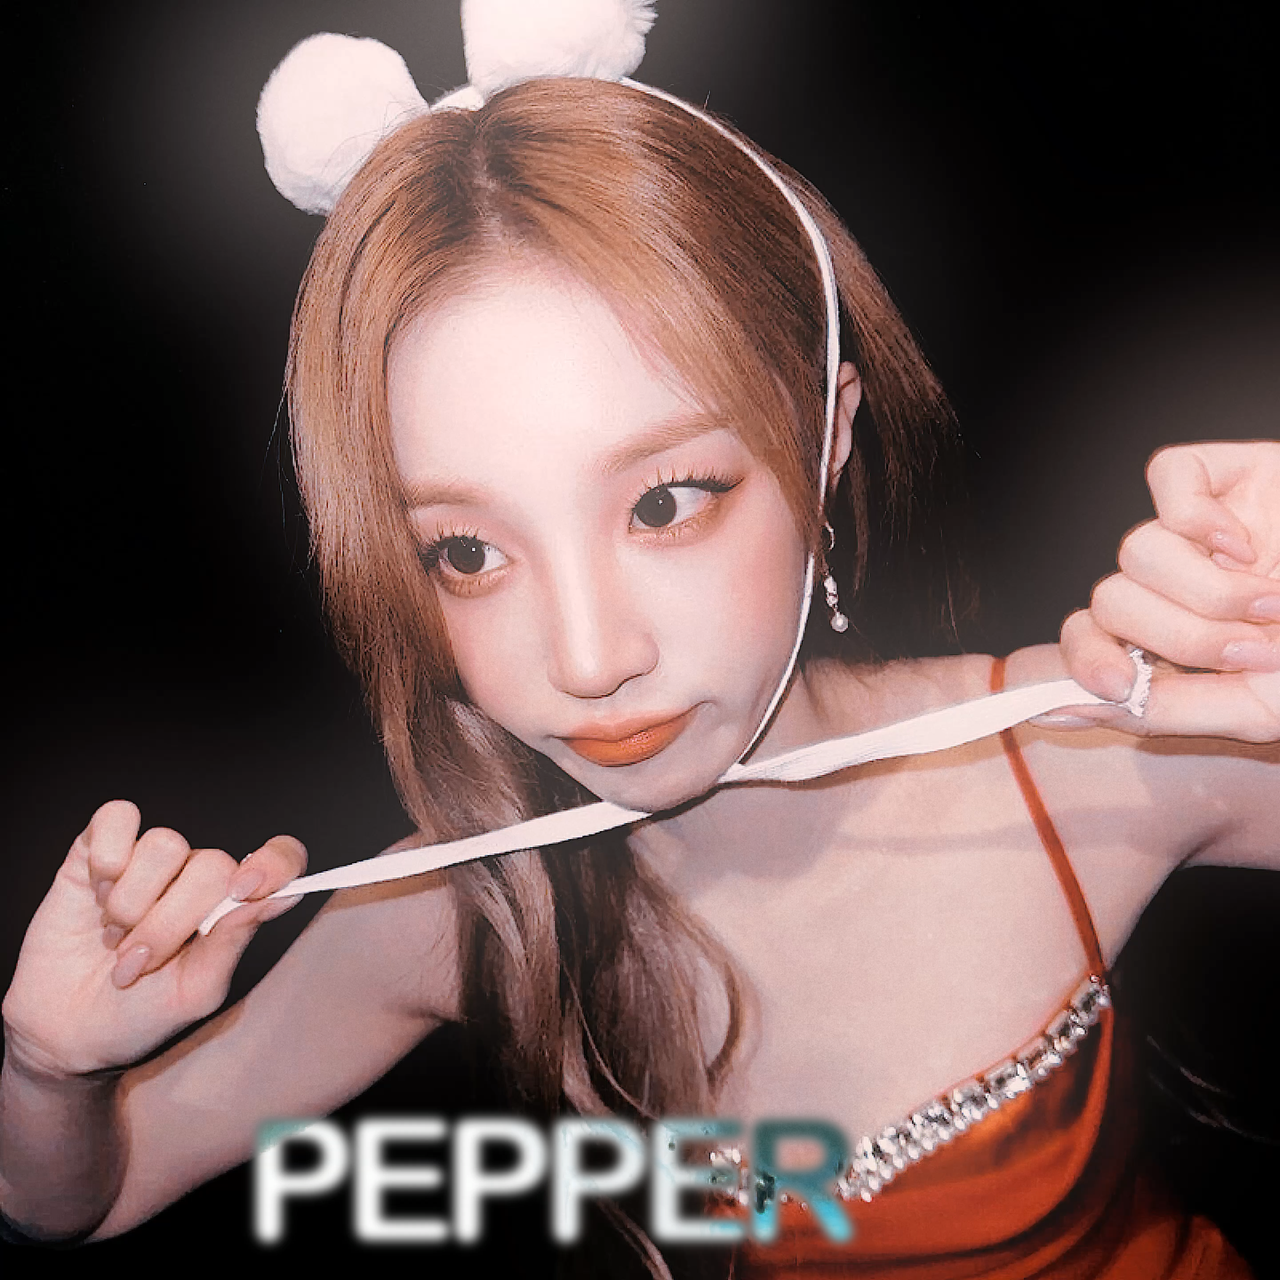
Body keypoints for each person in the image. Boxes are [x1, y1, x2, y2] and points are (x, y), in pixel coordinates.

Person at [2, 5, 1277, 1276]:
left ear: (823, 435)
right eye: (467, 553)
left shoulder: (1085, 745)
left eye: (663, 504)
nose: (586, 658)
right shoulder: (465, 911)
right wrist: (49, 1068)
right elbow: (83, 1195)